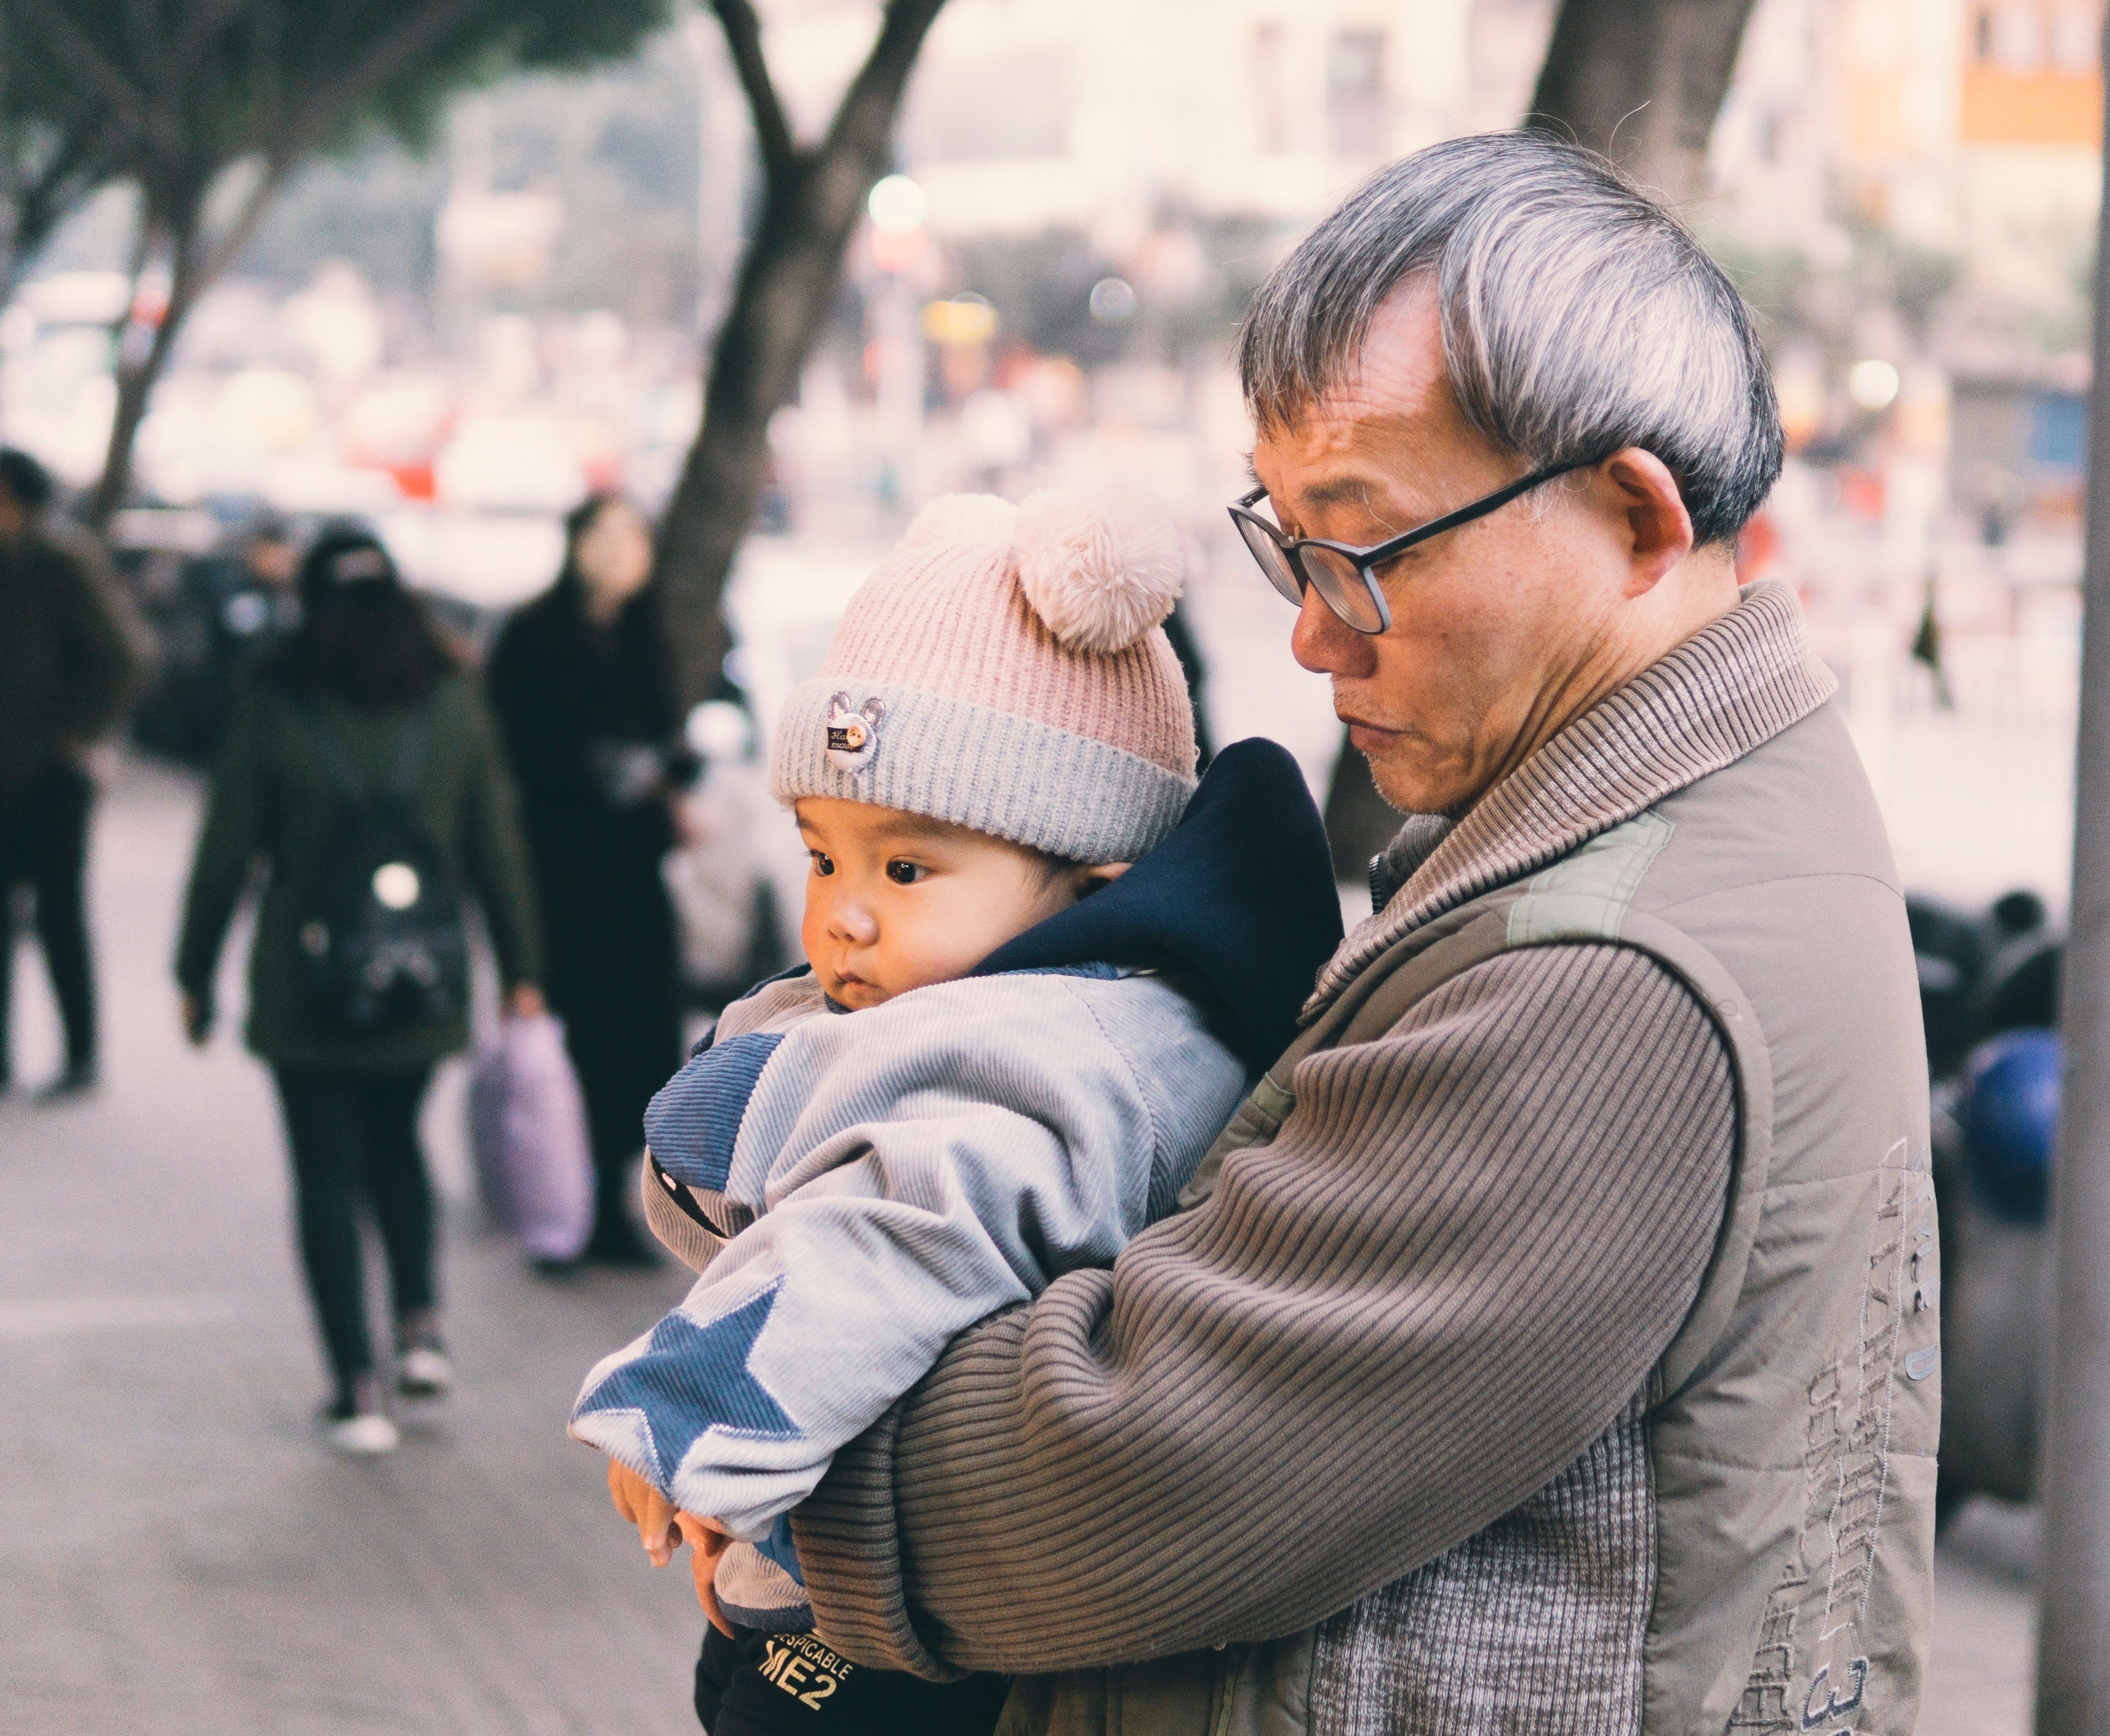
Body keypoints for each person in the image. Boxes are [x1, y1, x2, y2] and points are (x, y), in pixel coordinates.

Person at [782, 133, 1940, 1735]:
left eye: (1361, 548)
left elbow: (1147, 1478)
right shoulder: (1706, 813)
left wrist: (772, 1456)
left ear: (1631, 518)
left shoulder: (1609, 975)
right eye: (1285, 543)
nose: (1312, 630)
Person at [570, 486, 1341, 1736]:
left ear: (1089, 873)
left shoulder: (1044, 1055)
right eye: (823, 854)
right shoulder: (1036, 1002)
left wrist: (690, 1407)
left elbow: (896, 1223)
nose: (844, 914)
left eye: (908, 867)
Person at [174, 527, 546, 1454]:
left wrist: (192, 971)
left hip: (306, 984)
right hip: (423, 979)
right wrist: (522, 968)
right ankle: (420, 1328)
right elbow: (495, 840)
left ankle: (358, 1386)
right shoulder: (452, 695)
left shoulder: (277, 694)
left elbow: (227, 846)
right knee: (396, 1147)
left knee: (325, 1175)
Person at [486, 493, 694, 1266]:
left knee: (639, 1040)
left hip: (635, 873)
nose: (618, 552)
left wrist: (665, 777)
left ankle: (613, 1199)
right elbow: (510, 747)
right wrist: (592, 768)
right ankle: (554, 1202)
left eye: (632, 535)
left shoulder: (648, 638)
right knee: (570, 1037)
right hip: (561, 868)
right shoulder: (534, 636)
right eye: (603, 535)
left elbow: (673, 731)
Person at [0, 450, 144, 1104]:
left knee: (58, 918)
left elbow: (125, 657)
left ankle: (81, 1055)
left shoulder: (61, 560)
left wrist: (77, 734)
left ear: (11, 493)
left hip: (50, 772)